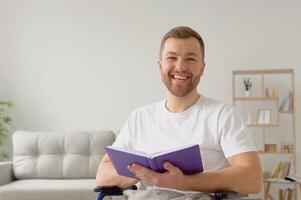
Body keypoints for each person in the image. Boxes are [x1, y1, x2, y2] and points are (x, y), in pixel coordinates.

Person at [96, 26, 262, 200]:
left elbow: (252, 177)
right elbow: (103, 175)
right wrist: (148, 174)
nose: (180, 66)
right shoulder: (139, 118)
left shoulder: (222, 114)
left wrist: (183, 182)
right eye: (172, 58)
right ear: (160, 66)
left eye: (190, 59)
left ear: (202, 68)